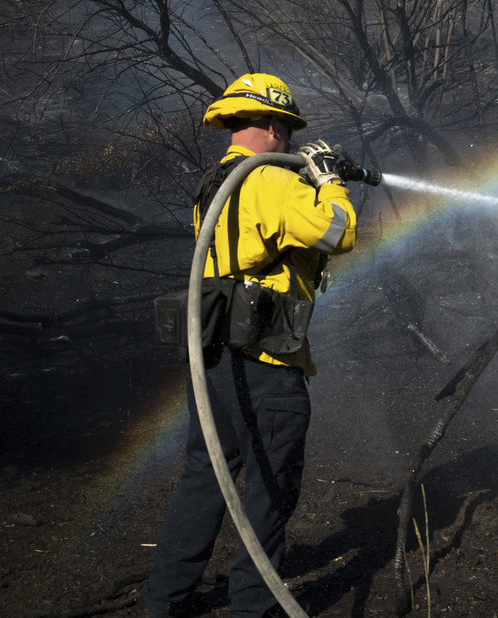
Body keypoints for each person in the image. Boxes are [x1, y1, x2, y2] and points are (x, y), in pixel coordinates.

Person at [142, 73, 357, 617]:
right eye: (285, 129)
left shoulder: (213, 184)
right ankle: (252, 609)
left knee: (204, 478)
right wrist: (328, 181)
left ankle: (162, 602)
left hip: (214, 360)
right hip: (265, 364)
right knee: (269, 489)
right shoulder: (270, 181)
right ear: (269, 124)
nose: (288, 141)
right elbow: (338, 232)